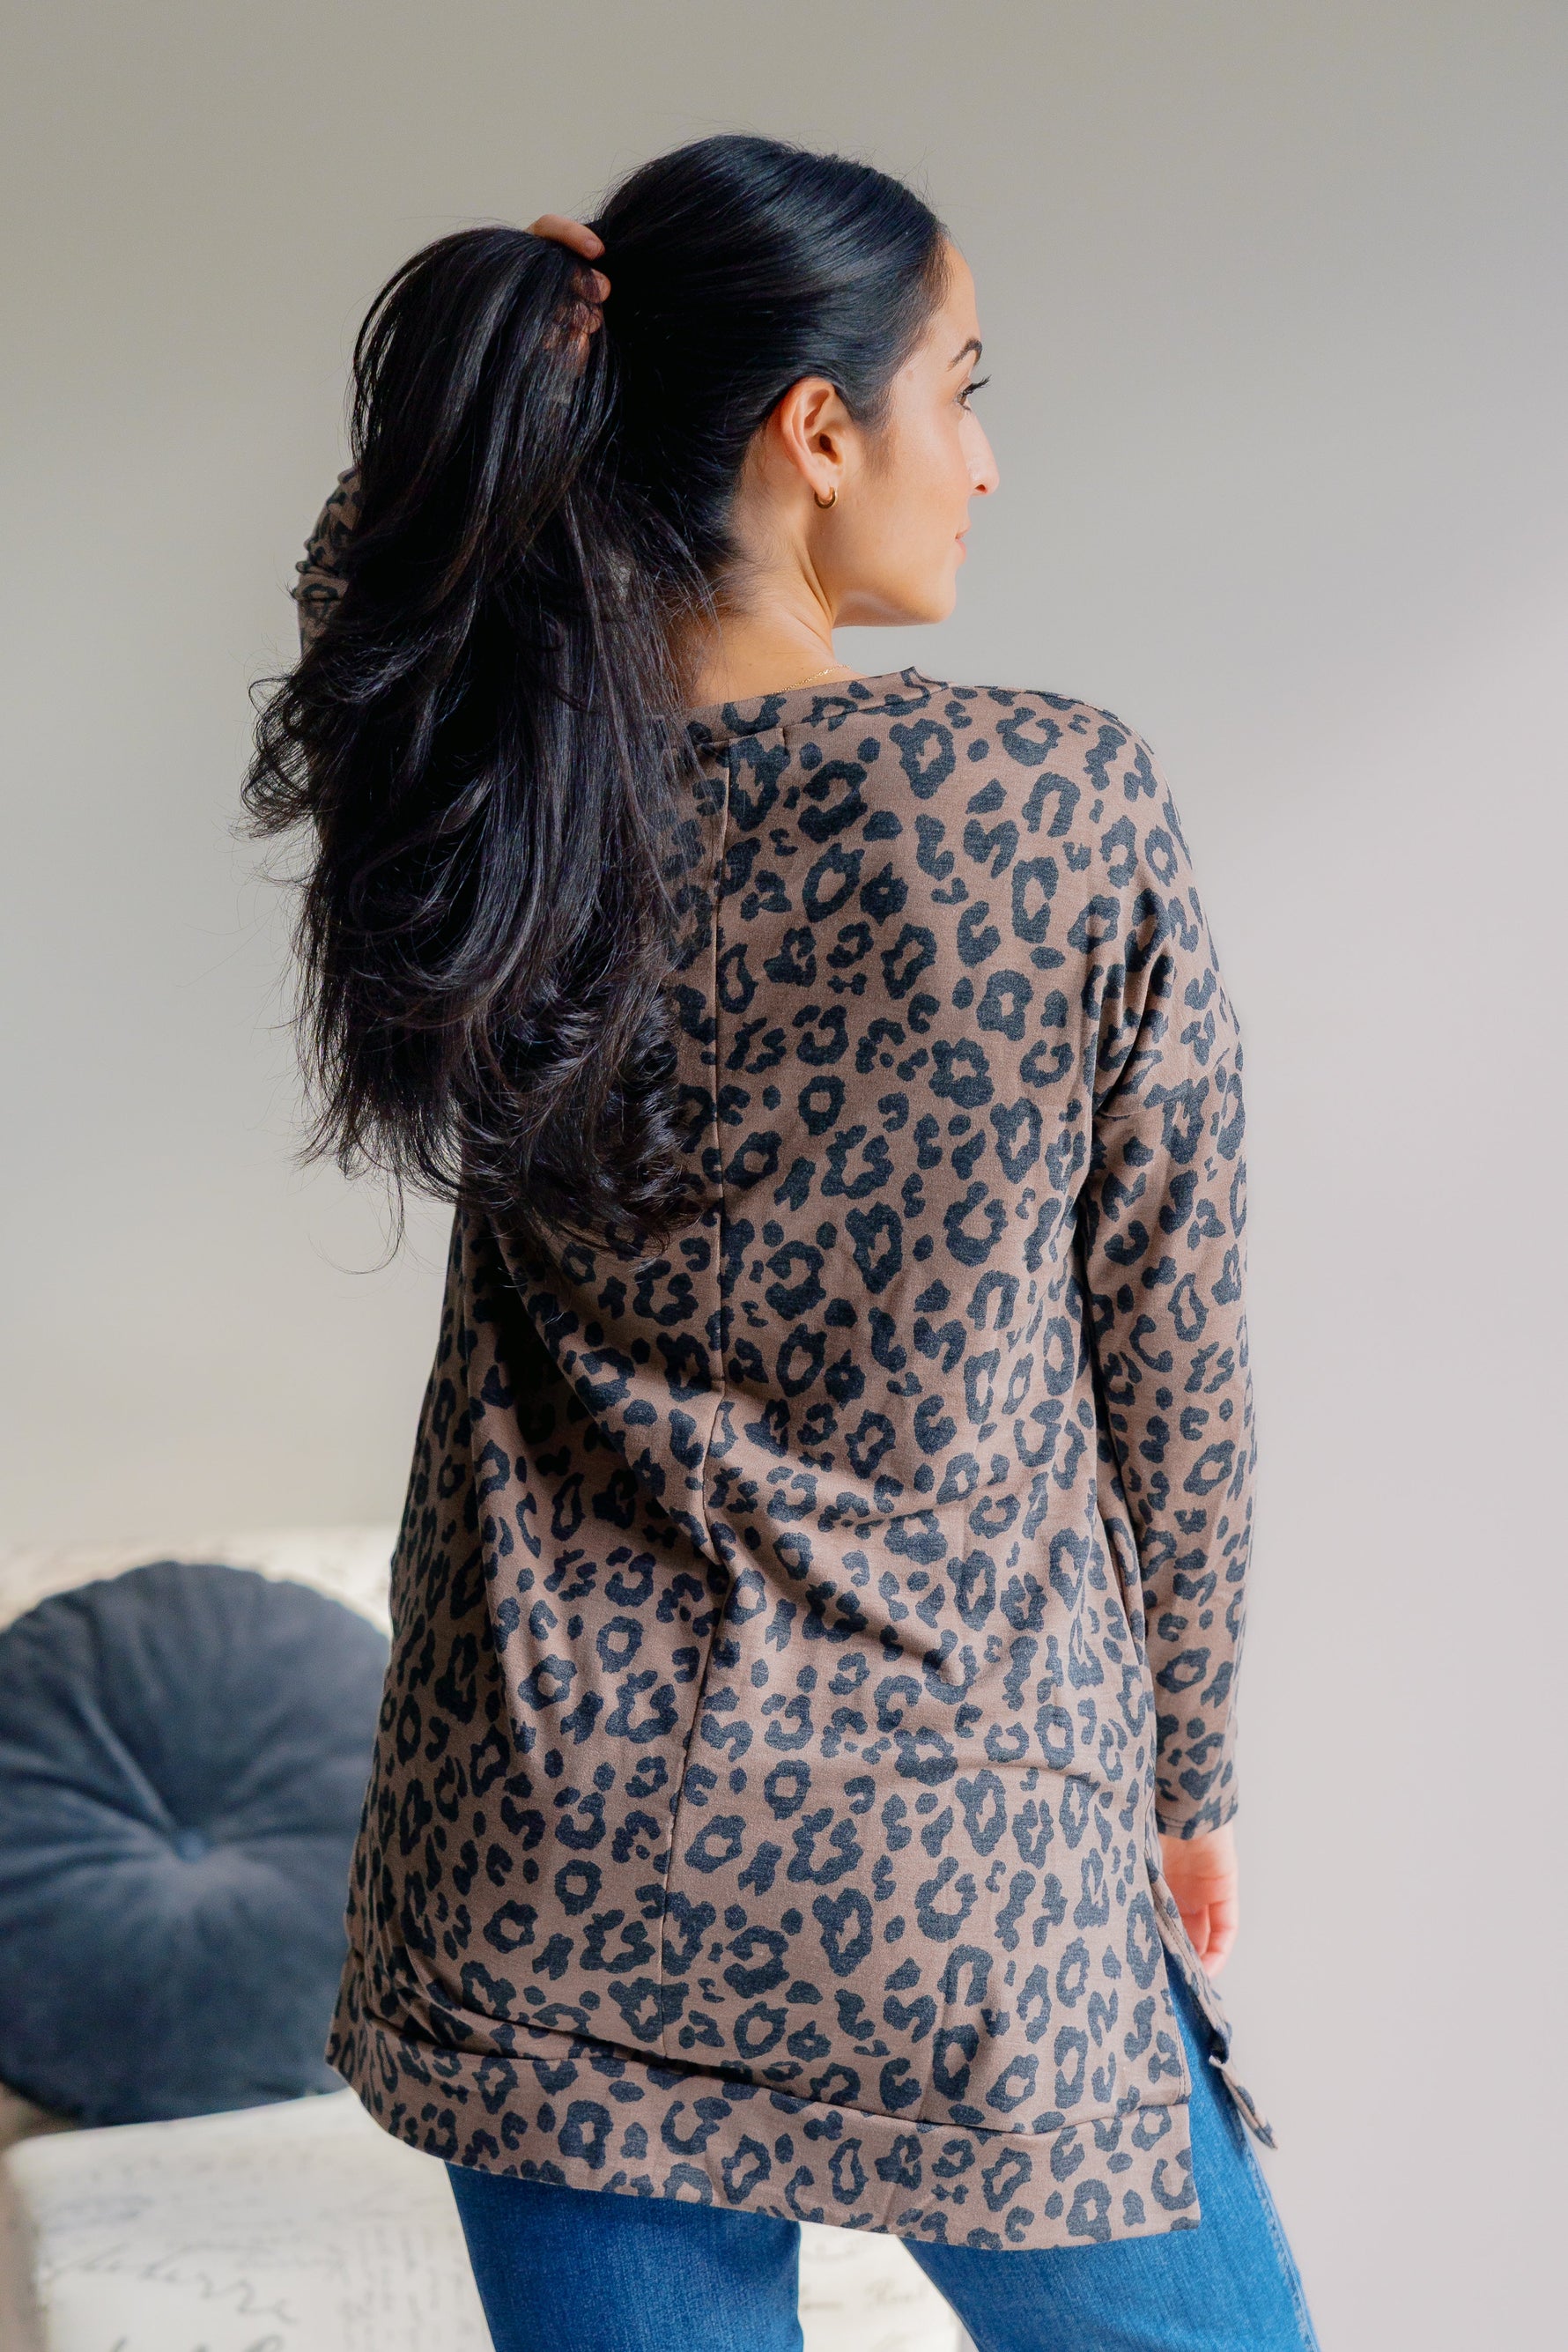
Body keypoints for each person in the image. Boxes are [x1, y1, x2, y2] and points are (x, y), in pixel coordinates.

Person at [248, 132, 1319, 2352]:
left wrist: (516, 363)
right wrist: (1185, 1775)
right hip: (957, 1856)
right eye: (960, 389)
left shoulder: (487, 812)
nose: (982, 461)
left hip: (547, 1847)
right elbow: (1175, 1357)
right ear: (817, 432)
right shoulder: (1049, 802)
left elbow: (372, 615)